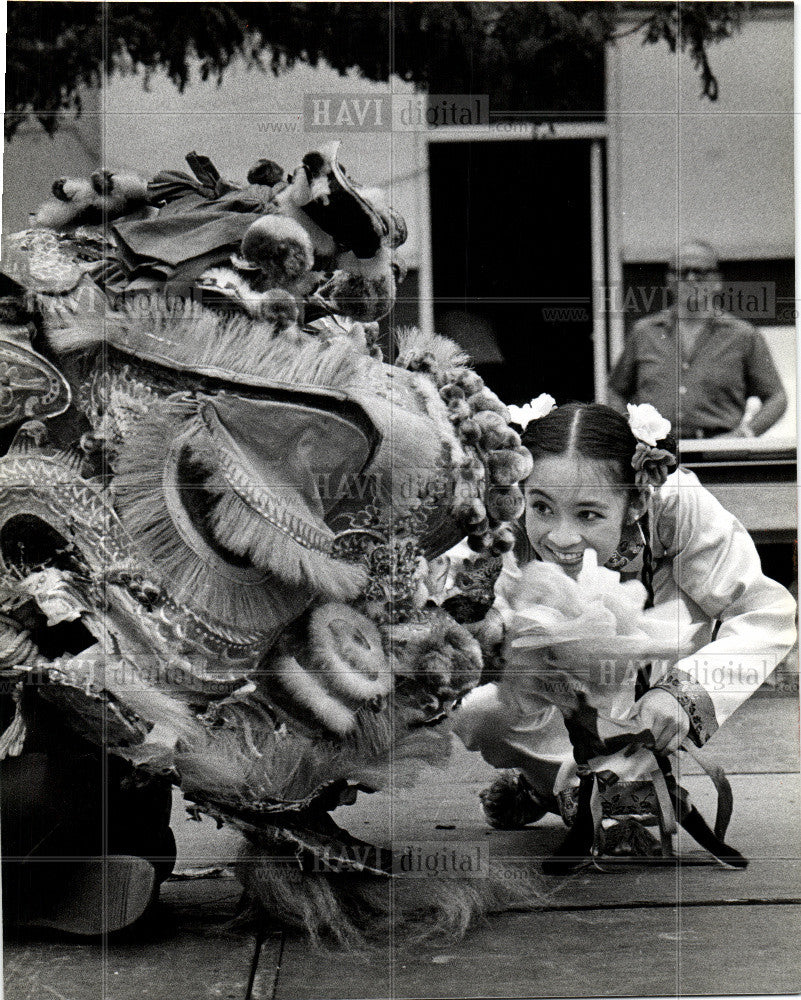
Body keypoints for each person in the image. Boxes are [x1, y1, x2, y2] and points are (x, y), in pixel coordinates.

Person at [454, 399, 796, 868]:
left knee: (630, 827)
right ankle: (548, 783)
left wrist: (683, 694)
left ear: (634, 500)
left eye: (589, 514)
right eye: (543, 507)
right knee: (477, 713)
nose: (561, 537)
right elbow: (454, 622)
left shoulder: (678, 507)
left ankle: (594, 782)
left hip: (652, 692)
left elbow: (765, 612)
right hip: (552, 693)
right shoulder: (500, 516)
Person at [607, 241, 787, 439]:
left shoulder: (743, 335)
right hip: (654, 455)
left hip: (718, 453)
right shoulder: (644, 333)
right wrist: (628, 433)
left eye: (700, 272)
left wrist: (744, 434)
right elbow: (615, 391)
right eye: (682, 272)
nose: (691, 279)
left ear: (717, 281)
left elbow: (777, 398)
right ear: (669, 281)